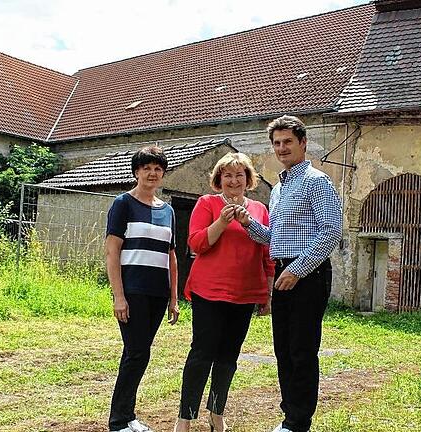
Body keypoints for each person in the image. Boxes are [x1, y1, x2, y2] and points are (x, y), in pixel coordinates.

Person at [235, 115, 342, 432]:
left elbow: (330, 233)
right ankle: (289, 418)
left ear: (303, 143)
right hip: (284, 273)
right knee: (283, 349)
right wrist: (249, 224)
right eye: (277, 143)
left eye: (288, 142)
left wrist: (297, 270)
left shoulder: (317, 182)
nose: (282, 148)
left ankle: (298, 422)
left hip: (307, 275)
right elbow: (276, 239)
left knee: (301, 350)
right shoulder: (279, 189)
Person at [173, 152, 275, 432]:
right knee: (201, 354)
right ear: (219, 179)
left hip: (245, 292)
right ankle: (185, 416)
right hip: (210, 291)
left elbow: (267, 253)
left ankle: (217, 412)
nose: (233, 180)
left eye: (239, 175)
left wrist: (267, 292)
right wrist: (221, 222)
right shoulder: (207, 203)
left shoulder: (259, 209)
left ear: (248, 179)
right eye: (227, 175)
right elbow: (196, 244)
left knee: (229, 356)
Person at [105, 145, 180, 432]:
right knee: (136, 352)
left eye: (158, 169)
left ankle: (127, 415)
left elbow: (171, 256)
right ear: (136, 172)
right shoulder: (123, 203)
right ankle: (118, 421)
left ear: (162, 175)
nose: (152, 173)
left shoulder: (168, 211)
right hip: (132, 291)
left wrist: (174, 298)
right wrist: (119, 296)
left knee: (140, 352)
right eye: (146, 168)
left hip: (158, 293)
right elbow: (112, 252)